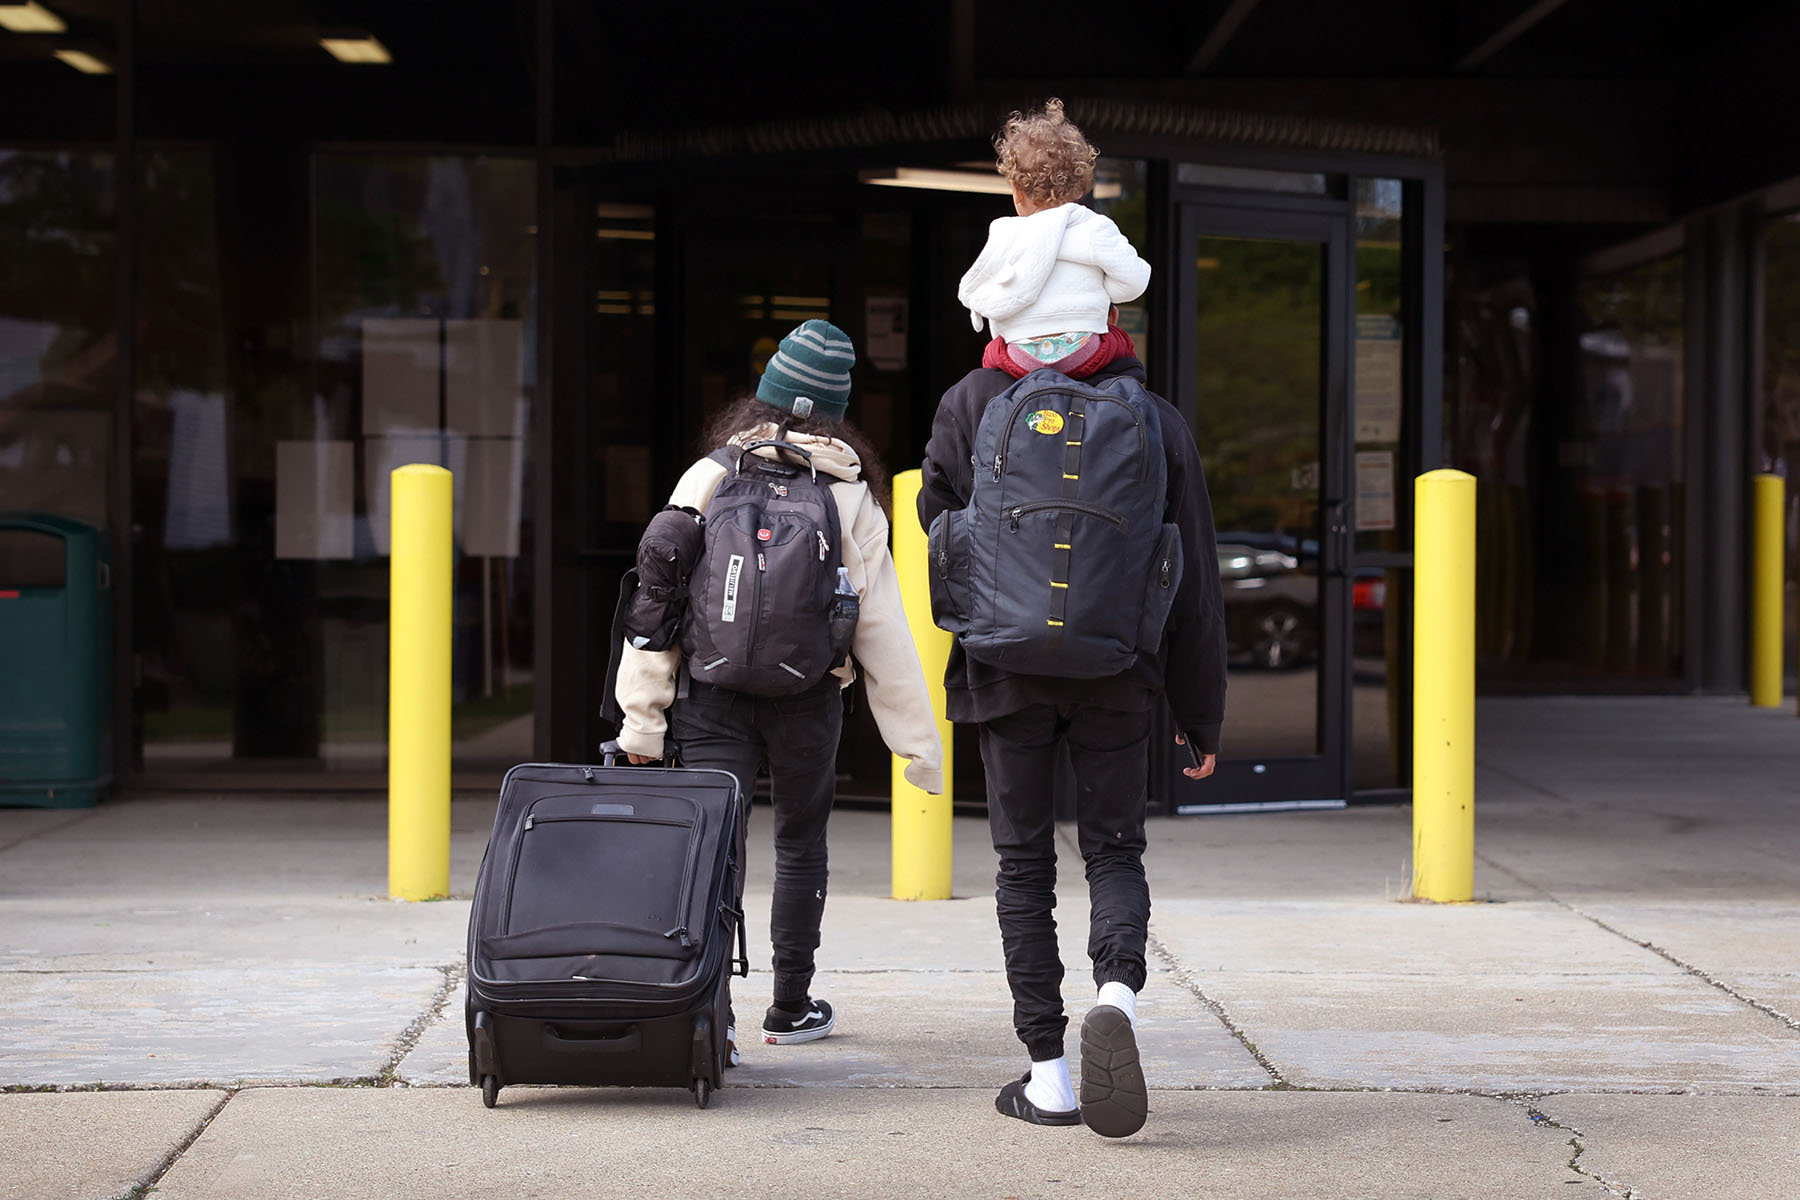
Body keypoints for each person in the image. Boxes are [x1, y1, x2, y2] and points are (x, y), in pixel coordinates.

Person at [919, 101, 1227, 1138]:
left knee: (1019, 866)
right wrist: (1201, 713)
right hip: (1119, 668)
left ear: (1012, 196)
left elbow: (938, 525)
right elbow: (1192, 572)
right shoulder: (1151, 415)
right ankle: (1118, 999)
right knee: (1112, 852)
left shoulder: (971, 402)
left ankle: (1048, 1073)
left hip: (1004, 671)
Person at [614, 319, 944, 1063]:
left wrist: (642, 719)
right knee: (799, 847)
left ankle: (707, 1010)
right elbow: (883, 628)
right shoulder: (850, 495)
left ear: (759, 397)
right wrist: (916, 747)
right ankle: (791, 1005)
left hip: (711, 694)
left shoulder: (709, 476)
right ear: (835, 411)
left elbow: (657, 602)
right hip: (808, 698)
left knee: (712, 848)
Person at [957, 97, 1151, 379]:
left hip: (1019, 359)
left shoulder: (1005, 234)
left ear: (1017, 193)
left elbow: (991, 291)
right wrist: (1102, 289)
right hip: (1083, 354)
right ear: (1079, 188)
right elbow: (1135, 281)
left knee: (993, 351)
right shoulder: (1093, 228)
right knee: (1119, 339)